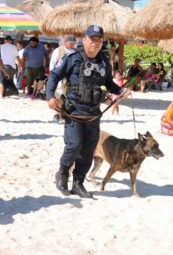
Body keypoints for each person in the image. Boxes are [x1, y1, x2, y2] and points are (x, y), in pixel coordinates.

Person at [47, 25, 123, 199]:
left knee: (88, 150)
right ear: (84, 39)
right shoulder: (71, 57)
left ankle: (78, 183)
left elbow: (109, 83)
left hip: (93, 113)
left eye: (99, 40)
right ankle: (63, 173)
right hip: (74, 111)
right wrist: (50, 97)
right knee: (74, 145)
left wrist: (119, 91)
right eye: (92, 39)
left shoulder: (104, 61)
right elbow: (53, 76)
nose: (95, 43)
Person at [49, 35, 77, 122]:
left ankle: (63, 114)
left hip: (70, 78)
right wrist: (53, 76)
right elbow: (52, 64)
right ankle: (56, 114)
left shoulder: (75, 52)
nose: (72, 45)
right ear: (65, 42)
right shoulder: (58, 51)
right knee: (58, 95)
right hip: (59, 77)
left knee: (66, 96)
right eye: (70, 43)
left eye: (73, 43)